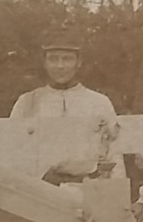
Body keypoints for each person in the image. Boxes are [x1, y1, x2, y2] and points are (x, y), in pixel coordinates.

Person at [9, 26, 120, 182]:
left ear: (78, 62)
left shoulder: (98, 102)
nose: (60, 66)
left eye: (67, 59)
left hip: (89, 189)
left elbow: (115, 154)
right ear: (44, 62)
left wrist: (115, 197)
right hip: (41, 192)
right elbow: (13, 154)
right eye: (53, 59)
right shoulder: (27, 102)